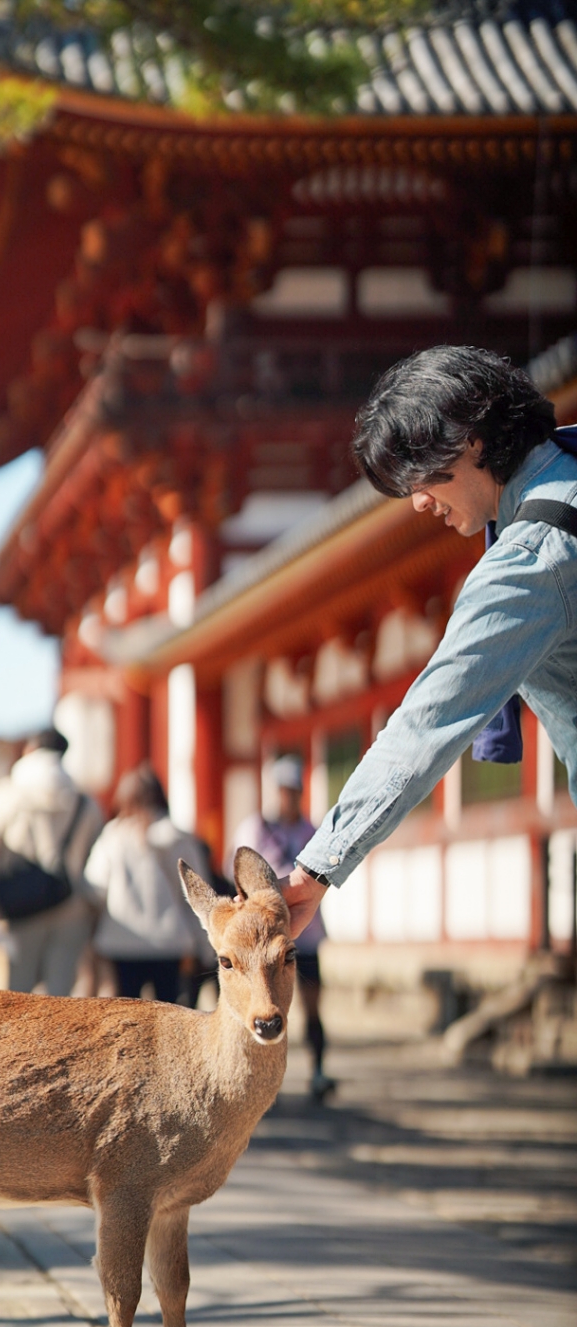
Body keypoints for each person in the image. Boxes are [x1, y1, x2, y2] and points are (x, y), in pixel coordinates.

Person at [283, 346, 577, 944]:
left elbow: (428, 721)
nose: (418, 501)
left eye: (418, 474)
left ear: (471, 440)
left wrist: (316, 869)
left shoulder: (528, 559)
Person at [0, 727, 103, 996]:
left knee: (16, 996)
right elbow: (94, 858)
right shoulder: (85, 803)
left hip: (20, 907)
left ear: (30, 750)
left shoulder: (7, 794)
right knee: (60, 998)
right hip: (70, 906)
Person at [237, 756, 332, 1099]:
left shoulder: (312, 831)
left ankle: (318, 1071)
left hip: (307, 934)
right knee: (264, 1006)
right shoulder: (255, 830)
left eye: (294, 790)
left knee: (312, 1005)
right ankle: (260, 1082)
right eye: (283, 790)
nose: (288, 797)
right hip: (264, 938)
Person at [84, 762, 214, 1003]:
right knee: (168, 1015)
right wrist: (204, 948)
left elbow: (95, 887)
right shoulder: (181, 838)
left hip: (122, 940)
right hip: (171, 941)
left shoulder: (114, 836)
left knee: (127, 1015)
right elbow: (200, 894)